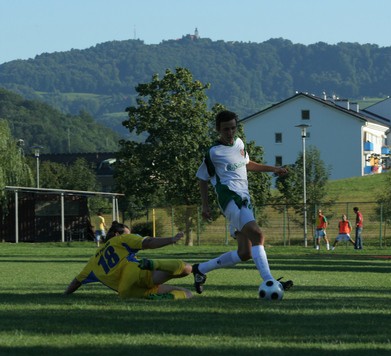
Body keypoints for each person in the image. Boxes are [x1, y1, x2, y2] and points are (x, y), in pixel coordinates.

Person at [194, 110, 293, 294]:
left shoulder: (239, 143)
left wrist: (274, 168)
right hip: (231, 200)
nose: (230, 133)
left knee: (245, 253)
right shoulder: (213, 153)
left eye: (233, 128)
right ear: (218, 129)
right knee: (258, 235)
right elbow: (202, 178)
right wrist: (205, 205)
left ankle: (200, 269)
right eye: (226, 129)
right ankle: (270, 281)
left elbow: (247, 164)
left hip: (245, 200)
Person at [64, 221, 193, 300]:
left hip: (126, 291)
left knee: (186, 293)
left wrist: (65, 295)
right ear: (117, 234)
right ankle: (154, 264)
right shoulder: (120, 240)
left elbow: (76, 282)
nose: (131, 235)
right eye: (128, 233)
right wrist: (171, 239)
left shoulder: (93, 262)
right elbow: (148, 242)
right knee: (187, 268)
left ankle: (168, 297)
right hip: (135, 273)